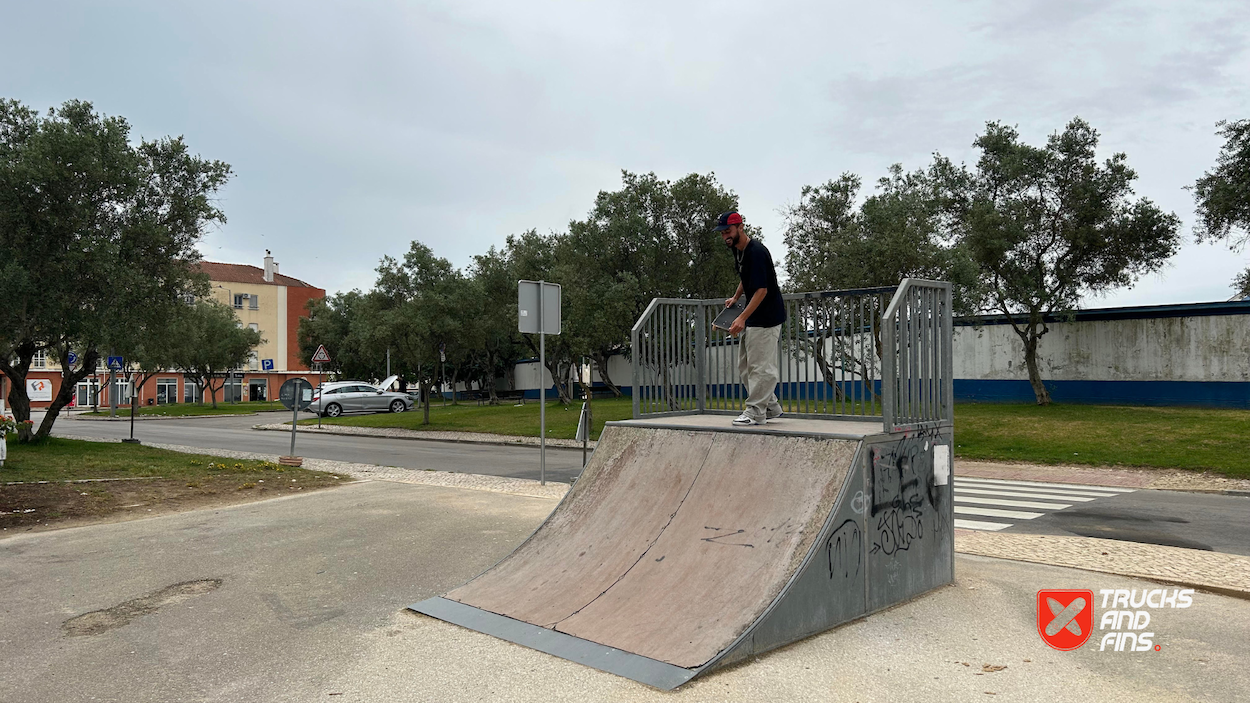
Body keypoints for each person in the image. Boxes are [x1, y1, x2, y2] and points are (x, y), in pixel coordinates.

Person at [715, 210, 787, 426]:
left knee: (761, 367)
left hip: (767, 317)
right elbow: (746, 278)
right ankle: (771, 406)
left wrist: (742, 318)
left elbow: (762, 290)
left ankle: (756, 411)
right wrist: (736, 297)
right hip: (755, 316)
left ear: (740, 228)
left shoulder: (756, 252)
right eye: (722, 233)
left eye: (728, 231)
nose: (725, 236)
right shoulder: (739, 251)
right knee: (745, 366)